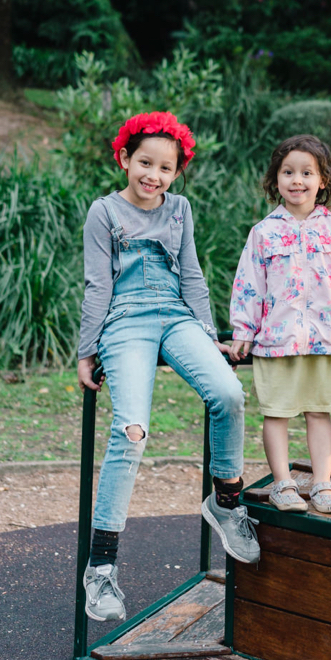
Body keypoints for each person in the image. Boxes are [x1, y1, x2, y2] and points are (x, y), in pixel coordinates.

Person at [76, 109, 259, 621]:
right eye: (144, 163)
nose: (152, 175)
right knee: (131, 429)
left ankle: (225, 500)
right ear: (124, 160)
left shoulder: (179, 209)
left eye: (165, 167)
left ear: (177, 172)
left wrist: (205, 335)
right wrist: (87, 349)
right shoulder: (104, 213)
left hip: (176, 317)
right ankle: (102, 569)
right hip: (125, 320)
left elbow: (193, 276)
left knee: (228, 394)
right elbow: (98, 285)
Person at [228, 131, 331, 514]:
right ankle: (282, 483)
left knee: (319, 411)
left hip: (324, 339)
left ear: (322, 180)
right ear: (276, 180)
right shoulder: (263, 233)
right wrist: (243, 331)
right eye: (288, 172)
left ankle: (323, 485)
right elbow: (248, 285)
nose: (297, 180)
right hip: (276, 340)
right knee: (276, 412)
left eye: (307, 173)